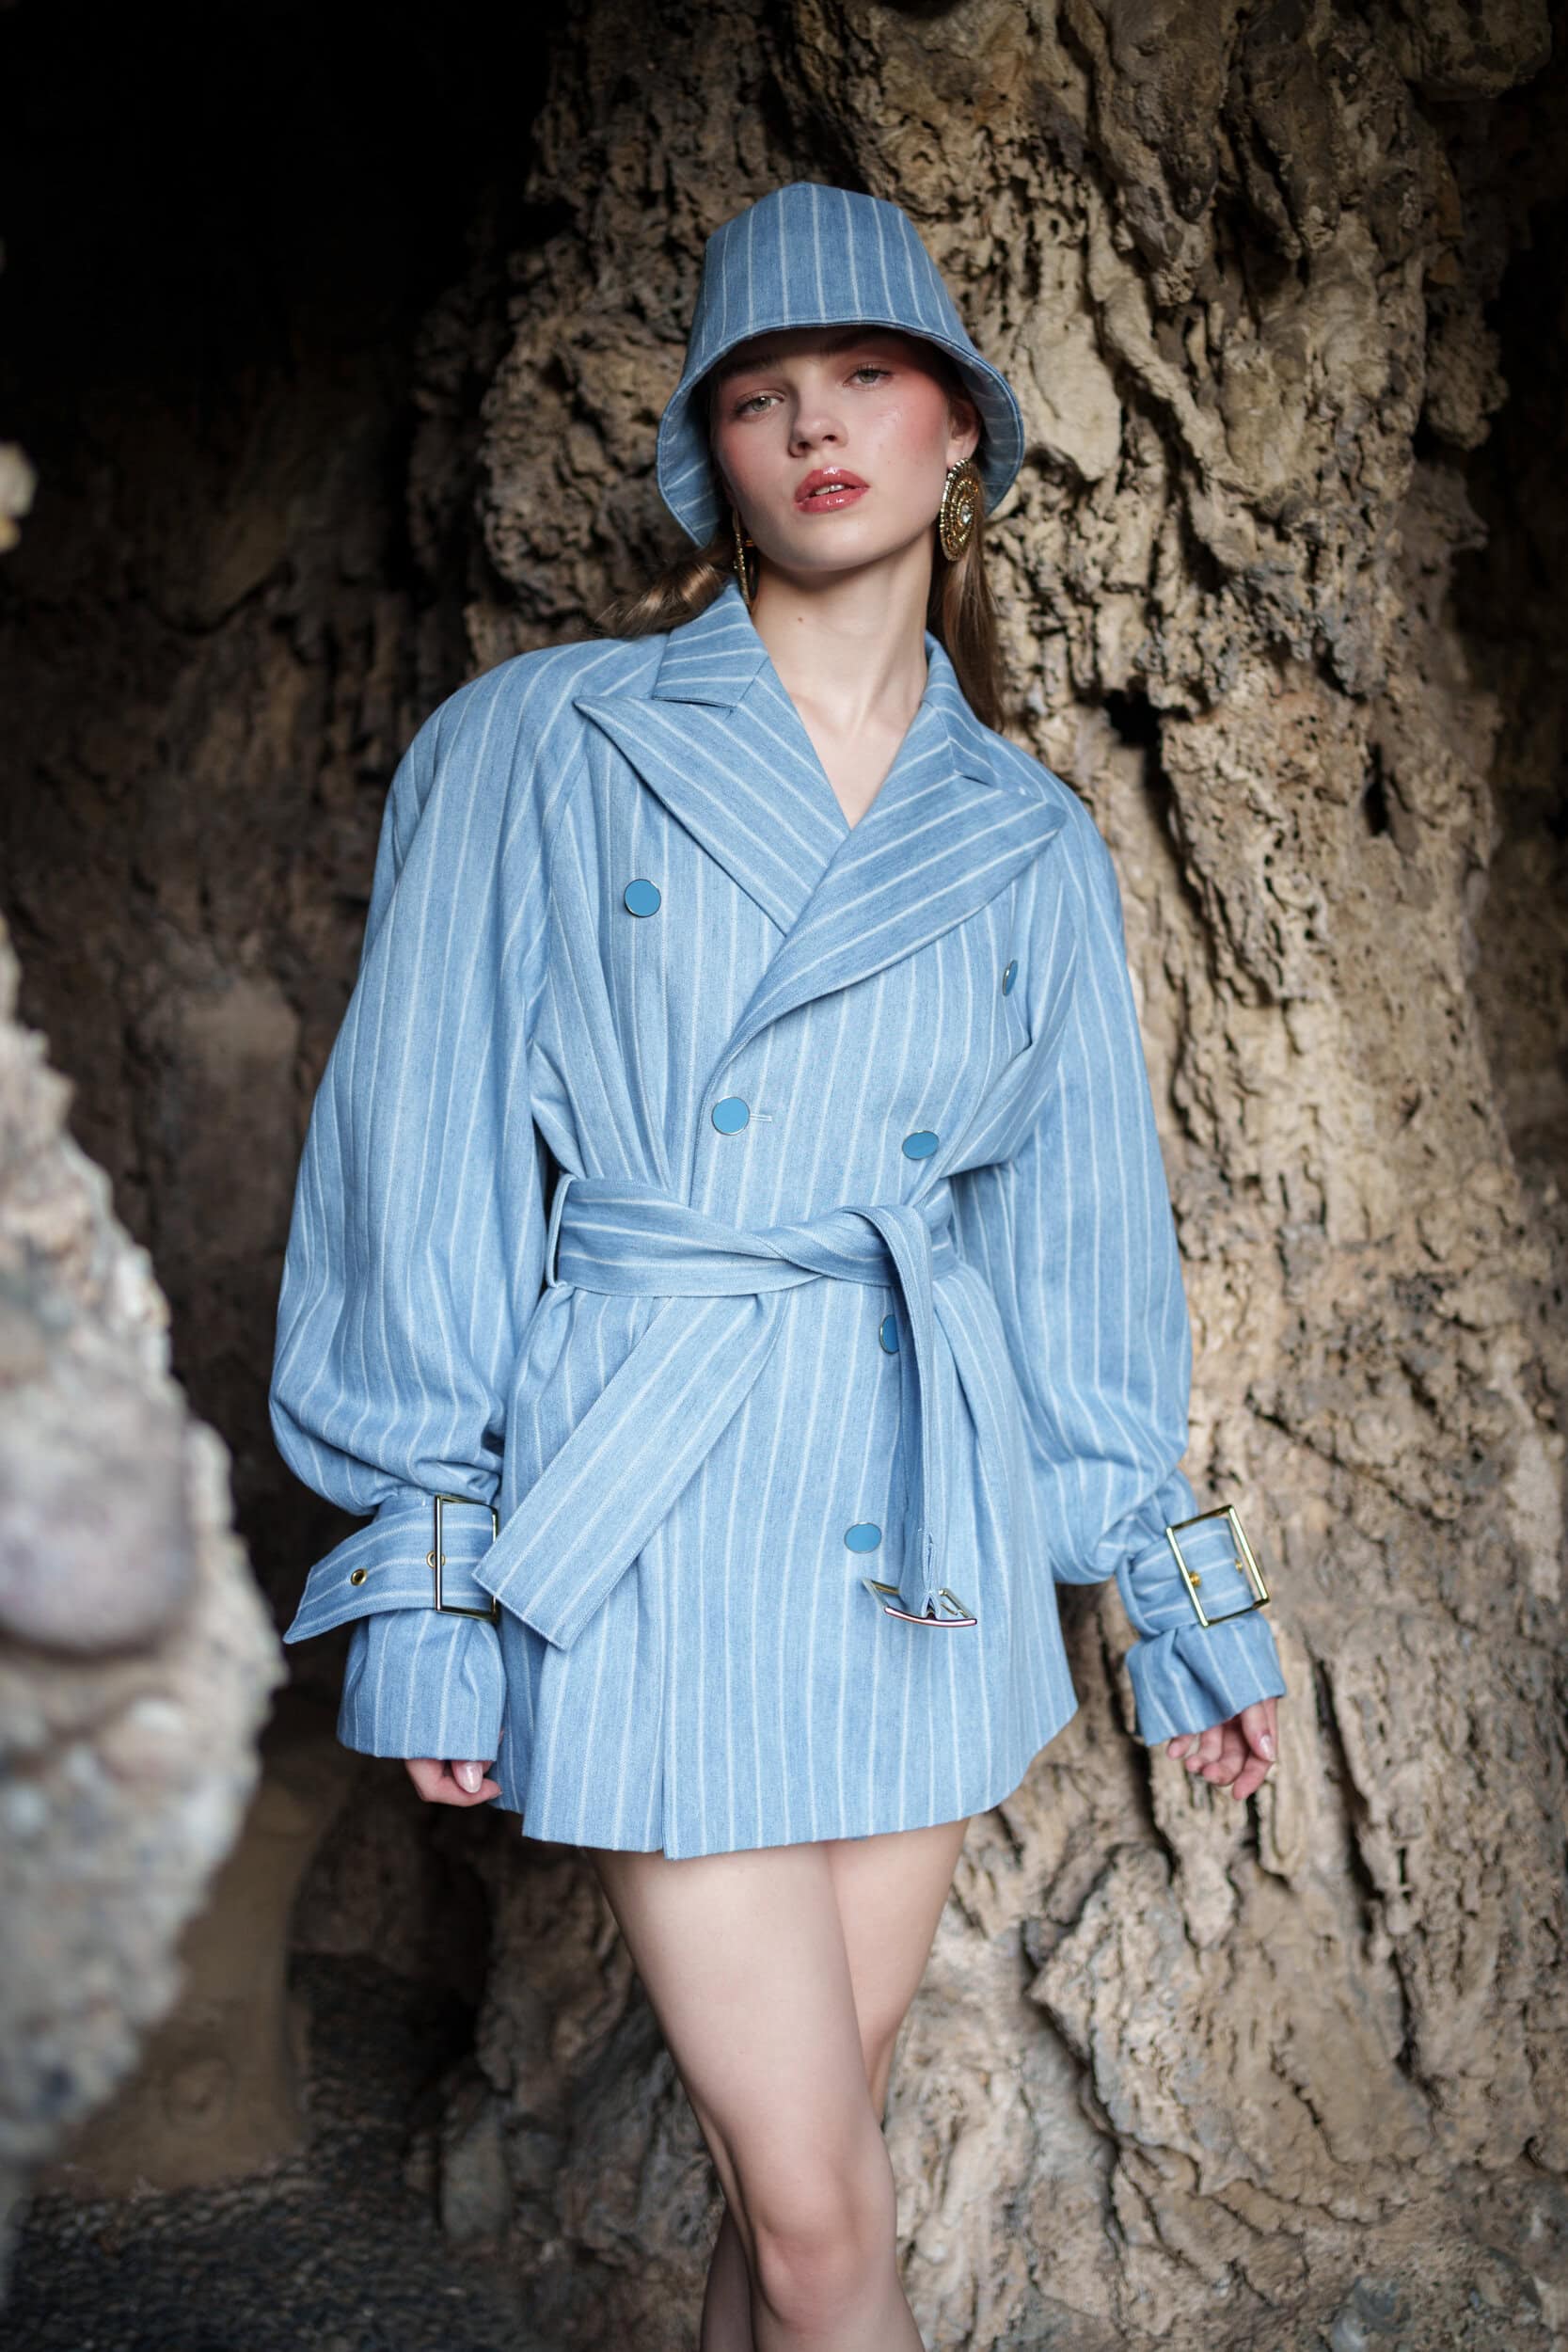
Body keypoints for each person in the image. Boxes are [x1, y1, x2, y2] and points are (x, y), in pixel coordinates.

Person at [269, 180, 1287, 2351]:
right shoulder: (543, 745)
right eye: (761, 392)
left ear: (959, 428)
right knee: (832, 2230)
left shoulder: (1027, 838)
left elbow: (1077, 1247)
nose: (817, 424)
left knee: (797, 2198)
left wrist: (1177, 1591)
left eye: (868, 374)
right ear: (707, 451)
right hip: (655, 1499)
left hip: (922, 1534)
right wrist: (428, 1578)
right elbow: (417, 1159)